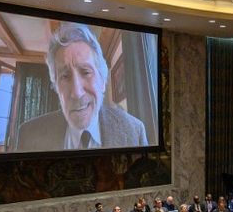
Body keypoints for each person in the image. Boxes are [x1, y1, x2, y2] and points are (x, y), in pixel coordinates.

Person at [14, 22, 148, 151]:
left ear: (102, 81)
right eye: (65, 76)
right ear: (56, 86)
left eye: (86, 72)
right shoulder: (28, 135)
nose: (77, 93)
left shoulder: (135, 131)